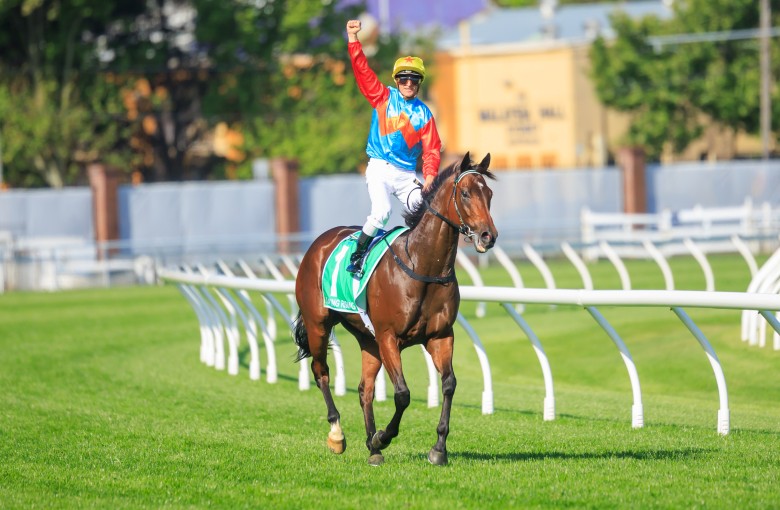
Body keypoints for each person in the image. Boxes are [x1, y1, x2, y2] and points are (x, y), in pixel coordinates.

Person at [344, 18, 442, 276]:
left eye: (413, 80)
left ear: (419, 83)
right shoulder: (383, 97)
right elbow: (362, 71)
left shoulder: (425, 114)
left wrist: (430, 176)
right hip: (380, 169)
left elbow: (432, 149)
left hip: (407, 175)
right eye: (403, 79)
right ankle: (358, 256)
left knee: (427, 212)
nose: (408, 84)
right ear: (397, 81)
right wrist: (353, 40)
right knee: (382, 212)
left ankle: (421, 264)